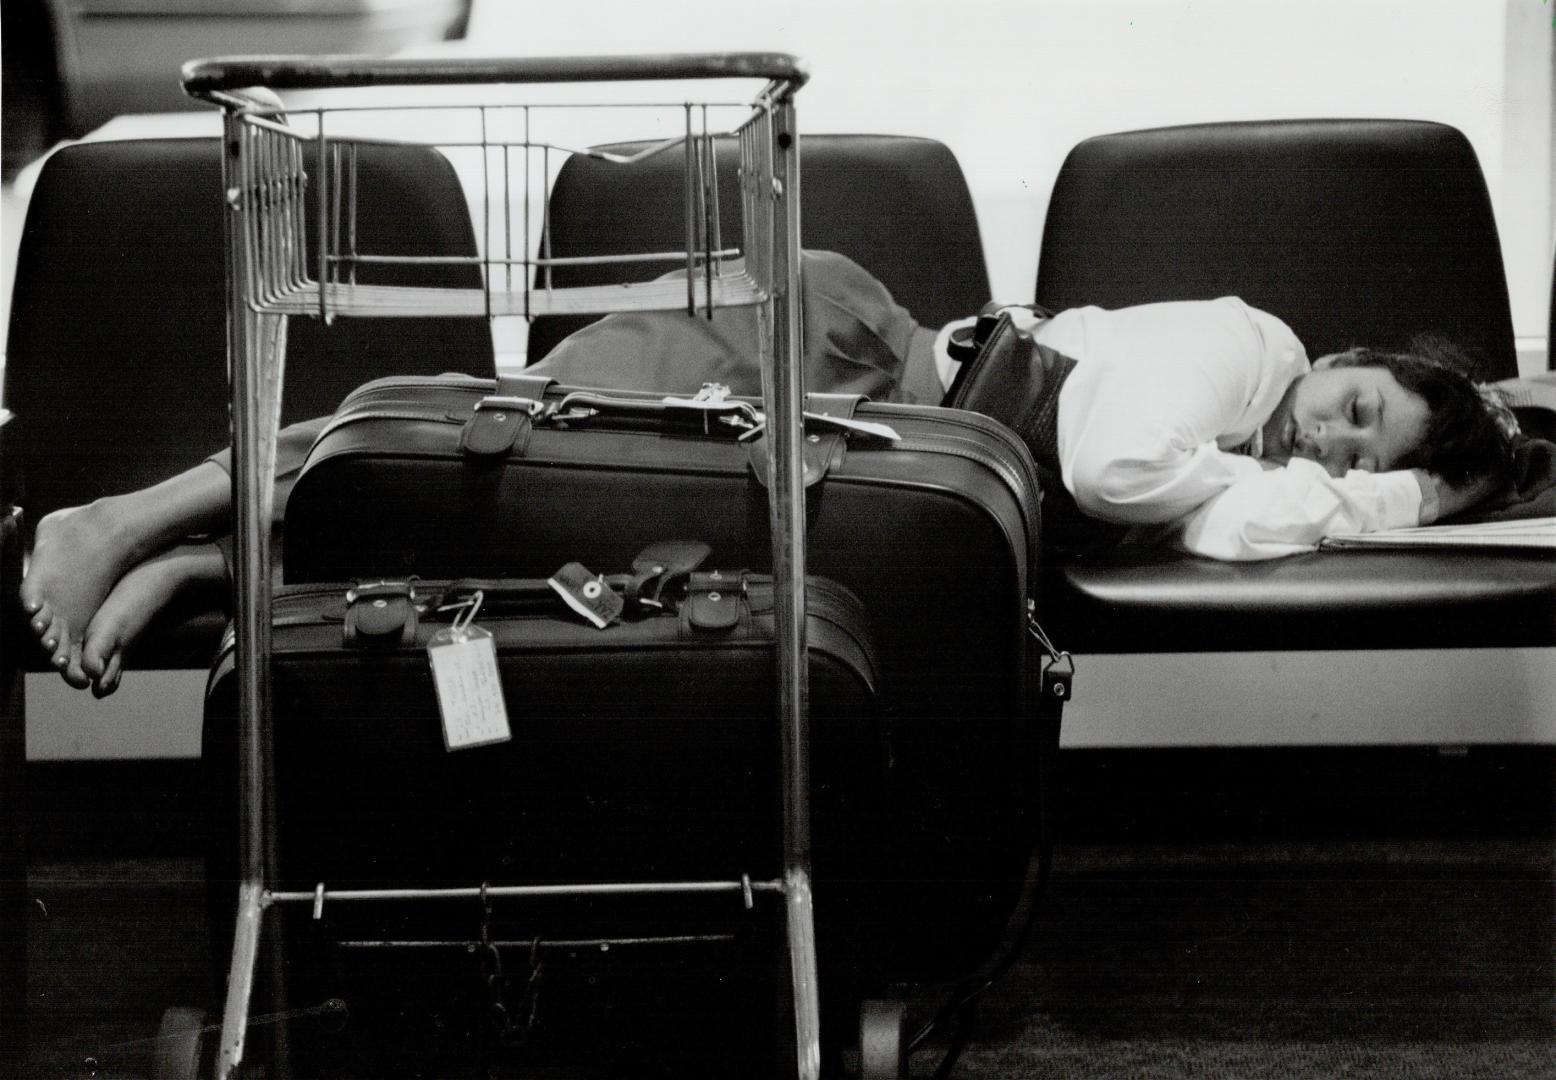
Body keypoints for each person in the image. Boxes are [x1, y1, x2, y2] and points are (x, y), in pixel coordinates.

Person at [18, 250, 1515, 696]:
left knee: (533, 542)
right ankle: (132, 514)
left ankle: (207, 568)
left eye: (1364, 455)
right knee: (479, 425)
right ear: (1346, 352)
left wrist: (1399, 500)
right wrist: (1284, 484)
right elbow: (1115, 460)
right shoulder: (1253, 343)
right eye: (1359, 406)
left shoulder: (1262, 471)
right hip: (838, 351)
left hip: (864, 459)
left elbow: (1216, 507)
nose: (1330, 440)